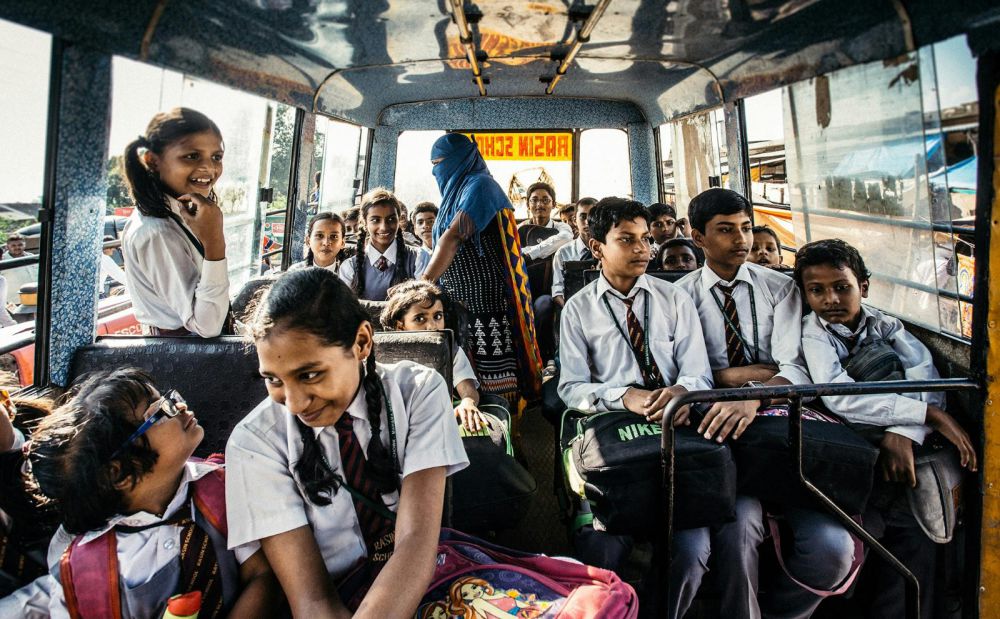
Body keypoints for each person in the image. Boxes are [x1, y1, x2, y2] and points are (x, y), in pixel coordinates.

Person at [226, 268, 468, 617]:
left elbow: (415, 541)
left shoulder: (418, 391)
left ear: (362, 343)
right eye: (273, 380)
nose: (294, 403)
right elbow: (312, 600)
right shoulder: (254, 443)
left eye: (310, 375)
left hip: (418, 574)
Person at [558, 198, 746, 619]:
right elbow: (570, 387)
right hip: (614, 435)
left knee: (693, 549)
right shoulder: (579, 309)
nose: (643, 249)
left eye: (645, 239)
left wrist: (679, 393)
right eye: (627, 240)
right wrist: (624, 396)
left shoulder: (673, 299)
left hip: (674, 428)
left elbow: (699, 374)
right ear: (596, 248)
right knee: (600, 547)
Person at [676, 188, 855, 617]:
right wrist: (751, 376)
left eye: (744, 228)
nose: (741, 240)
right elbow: (688, 374)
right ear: (698, 238)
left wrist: (751, 394)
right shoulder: (678, 296)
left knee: (834, 550)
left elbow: (795, 368)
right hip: (715, 427)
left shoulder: (781, 288)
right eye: (725, 230)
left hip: (781, 425)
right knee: (738, 531)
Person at [794, 238, 977, 619]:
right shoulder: (814, 335)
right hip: (857, 458)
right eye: (817, 291)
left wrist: (905, 433)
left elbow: (925, 376)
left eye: (841, 287)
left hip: (907, 452)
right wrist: (930, 417)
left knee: (917, 539)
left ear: (863, 287)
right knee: (867, 552)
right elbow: (840, 397)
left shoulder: (885, 324)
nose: (831, 299)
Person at [22, 368, 280, 618]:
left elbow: (262, 574)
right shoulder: (81, 571)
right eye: (158, 411)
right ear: (119, 473)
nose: (178, 406)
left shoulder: (222, 487)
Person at [422, 133, 543, 409]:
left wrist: (422, 284)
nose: (435, 170)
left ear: (460, 160)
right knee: (463, 372)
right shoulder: (457, 192)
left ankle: (503, 425)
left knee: (492, 376)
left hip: (484, 301)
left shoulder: (481, 186)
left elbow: (453, 238)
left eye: (440, 162)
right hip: (457, 300)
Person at [120, 108, 230, 337]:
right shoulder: (156, 231)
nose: (209, 168)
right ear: (153, 161)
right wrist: (214, 241)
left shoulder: (181, 215)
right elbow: (207, 326)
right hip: (180, 354)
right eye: (192, 156)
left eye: (216, 157)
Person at [382, 280, 489, 432]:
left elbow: (468, 389)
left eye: (438, 316)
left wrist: (467, 402)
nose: (432, 326)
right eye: (420, 319)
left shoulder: (450, 350)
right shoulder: (385, 353)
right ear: (400, 326)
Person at [338, 188, 429, 301]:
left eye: (391, 219)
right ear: (364, 223)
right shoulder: (349, 267)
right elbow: (344, 310)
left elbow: (424, 304)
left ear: (399, 220)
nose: (384, 227)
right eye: (375, 220)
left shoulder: (418, 257)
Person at [551, 197, 597, 307]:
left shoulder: (609, 251)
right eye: (583, 217)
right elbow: (558, 290)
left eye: (592, 217)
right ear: (575, 221)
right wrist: (570, 310)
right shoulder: (563, 253)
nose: (587, 222)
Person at [519, 182, 573, 262]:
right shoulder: (519, 229)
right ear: (528, 204)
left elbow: (566, 237)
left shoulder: (561, 227)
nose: (540, 205)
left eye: (545, 200)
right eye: (534, 200)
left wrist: (530, 253)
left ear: (554, 204)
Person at [3, 234, 39, 308]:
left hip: (35, 300)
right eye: (13, 245)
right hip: (13, 303)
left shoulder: (32, 257)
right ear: (7, 246)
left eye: (20, 245)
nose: (17, 247)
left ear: (24, 245)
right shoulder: (3, 261)